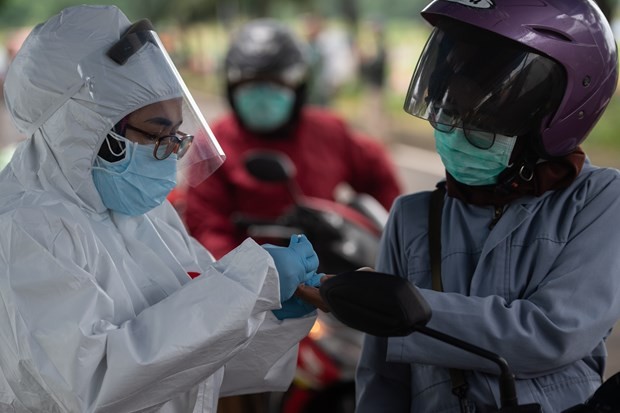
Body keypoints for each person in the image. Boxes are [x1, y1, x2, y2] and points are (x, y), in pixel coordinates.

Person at [0, 5, 327, 413]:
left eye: (177, 135)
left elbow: (193, 361)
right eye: (157, 134)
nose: (172, 153)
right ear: (83, 130)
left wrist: (271, 314)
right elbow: (95, 383)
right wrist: (246, 285)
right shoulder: (28, 229)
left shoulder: (142, 214)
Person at [355, 1, 620, 412]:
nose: (457, 128)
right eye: (449, 108)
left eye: (484, 116)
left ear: (559, 112)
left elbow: (550, 333)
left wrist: (408, 309)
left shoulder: (599, 200)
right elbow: (381, 378)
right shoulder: (411, 217)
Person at [183, 18, 402, 261]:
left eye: (275, 83)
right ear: (231, 87)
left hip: (328, 272)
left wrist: (394, 243)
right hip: (247, 278)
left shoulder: (329, 130)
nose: (263, 95)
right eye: (250, 83)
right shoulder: (213, 143)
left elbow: (381, 180)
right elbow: (205, 226)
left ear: (298, 87)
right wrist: (250, 276)